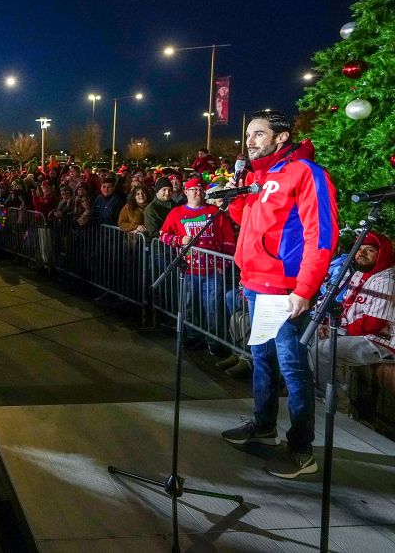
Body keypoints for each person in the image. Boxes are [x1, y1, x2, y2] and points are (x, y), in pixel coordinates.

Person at [221, 109, 338, 479]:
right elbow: (251, 223)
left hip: (284, 289)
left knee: (291, 366)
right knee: (263, 360)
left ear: (281, 137)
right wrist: (236, 195)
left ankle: (302, 449)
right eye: (249, 135)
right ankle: (264, 426)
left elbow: (320, 235)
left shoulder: (306, 173)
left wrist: (304, 289)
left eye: (258, 134)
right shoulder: (260, 175)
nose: (250, 141)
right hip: (257, 285)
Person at [308, 232, 395, 405]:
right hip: (358, 333)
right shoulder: (360, 273)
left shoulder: (387, 280)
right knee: (309, 335)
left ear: (381, 254)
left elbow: (374, 324)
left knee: (323, 350)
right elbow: (346, 306)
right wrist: (330, 325)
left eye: (369, 250)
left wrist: (338, 329)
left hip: (382, 341)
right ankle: (314, 389)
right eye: (359, 249)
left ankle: (334, 401)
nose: (361, 254)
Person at [159, 178, 235, 352]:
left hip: (213, 271)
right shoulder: (176, 213)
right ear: (186, 192)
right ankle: (193, 336)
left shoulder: (216, 212)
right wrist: (178, 240)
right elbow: (163, 234)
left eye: (200, 189)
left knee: (213, 307)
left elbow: (229, 240)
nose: (197, 192)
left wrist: (223, 264)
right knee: (190, 305)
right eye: (193, 189)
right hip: (189, 269)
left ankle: (215, 342)